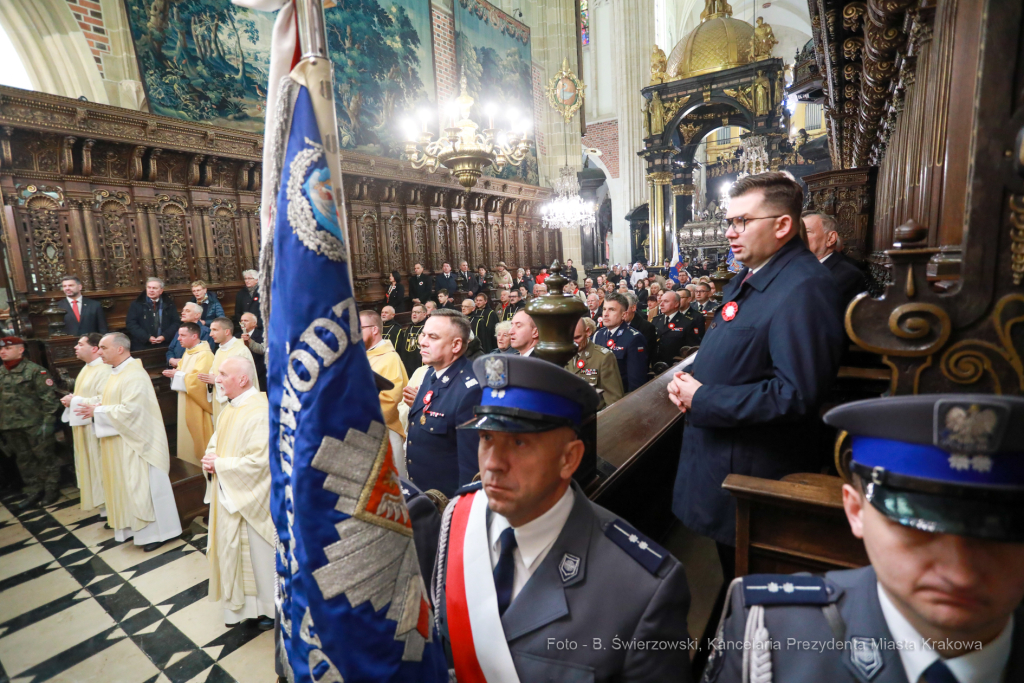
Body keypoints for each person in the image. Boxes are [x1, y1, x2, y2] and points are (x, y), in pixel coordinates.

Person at [704, 394, 1024, 683]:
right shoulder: (769, 636)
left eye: (1005, 527)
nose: (959, 572)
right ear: (856, 511)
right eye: (913, 521)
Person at [433, 354, 692, 682]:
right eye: (486, 438)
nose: (493, 463)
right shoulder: (458, 519)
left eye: (519, 442)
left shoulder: (642, 587)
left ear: (569, 458)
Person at [667, 172, 845, 581]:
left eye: (742, 221)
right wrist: (689, 379)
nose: (729, 232)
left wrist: (704, 398)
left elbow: (795, 394)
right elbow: (735, 340)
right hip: (724, 464)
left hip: (754, 477)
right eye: (730, 221)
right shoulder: (757, 274)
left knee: (748, 586)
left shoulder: (803, 288)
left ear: (782, 225)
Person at [75, 332, 182, 551]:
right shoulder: (115, 372)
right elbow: (109, 400)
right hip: (120, 441)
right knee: (126, 487)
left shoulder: (134, 374)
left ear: (119, 349)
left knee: (141, 488)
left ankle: (159, 533)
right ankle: (133, 529)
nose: (100, 352)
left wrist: (99, 411)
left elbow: (132, 410)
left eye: (104, 348)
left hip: (138, 444)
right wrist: (94, 406)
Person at [201, 357, 275, 630]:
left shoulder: (260, 411)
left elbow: (261, 463)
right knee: (236, 552)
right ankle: (244, 608)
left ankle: (268, 609)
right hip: (230, 490)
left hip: (250, 498)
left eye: (222, 374)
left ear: (243, 379)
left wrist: (219, 464)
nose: (216, 378)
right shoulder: (230, 409)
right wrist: (211, 459)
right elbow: (215, 442)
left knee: (258, 556)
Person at [403, 310, 482, 496]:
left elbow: (472, 471)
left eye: (433, 337)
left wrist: (460, 513)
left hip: (447, 504)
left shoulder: (470, 390)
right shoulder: (431, 373)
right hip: (424, 498)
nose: (422, 341)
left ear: (456, 345)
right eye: (423, 334)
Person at [0, 336, 62, 510]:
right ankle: (35, 491)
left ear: (21, 350)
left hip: (35, 424)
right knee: (24, 460)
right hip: (10, 426)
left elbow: (49, 401)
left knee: (45, 458)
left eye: (8, 348)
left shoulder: (35, 371)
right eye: (1, 349)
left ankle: (51, 490)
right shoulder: (1, 373)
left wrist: (47, 425)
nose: (3, 352)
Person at [60, 333, 112, 513]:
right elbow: (86, 395)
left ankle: (109, 508)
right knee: (91, 466)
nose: (76, 347)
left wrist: (74, 402)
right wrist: (72, 398)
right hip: (85, 427)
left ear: (95, 348)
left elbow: (104, 399)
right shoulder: (87, 368)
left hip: (97, 428)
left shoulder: (104, 369)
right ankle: (102, 506)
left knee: (100, 466)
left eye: (80, 344)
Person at [360, 309, 409, 477]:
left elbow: (391, 399)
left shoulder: (389, 358)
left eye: (360, 328)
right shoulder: (363, 356)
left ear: (374, 329)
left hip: (385, 431)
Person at [162, 322, 214, 467]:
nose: (179, 338)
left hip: (197, 404)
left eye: (183, 335)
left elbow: (199, 381)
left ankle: (200, 466)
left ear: (195, 336)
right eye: (179, 335)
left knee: (197, 436)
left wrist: (177, 375)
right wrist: (175, 374)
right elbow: (182, 372)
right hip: (185, 400)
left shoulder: (205, 355)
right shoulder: (188, 353)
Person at [803, 210, 869, 313]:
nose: (800, 238)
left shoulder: (849, 275)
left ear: (830, 238)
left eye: (807, 232)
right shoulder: (800, 267)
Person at [199, 317, 255, 427]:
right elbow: (214, 371)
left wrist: (215, 380)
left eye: (215, 330)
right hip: (220, 403)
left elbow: (242, 381)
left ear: (227, 331)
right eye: (211, 330)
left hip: (236, 405)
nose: (210, 334)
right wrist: (210, 379)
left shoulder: (240, 350)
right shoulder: (220, 350)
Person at [593, 292, 648, 393]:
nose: (605, 314)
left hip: (620, 397)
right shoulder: (598, 335)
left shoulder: (634, 338)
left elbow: (635, 382)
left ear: (624, 314)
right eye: (604, 309)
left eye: (611, 310)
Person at [566, 317, 623, 410]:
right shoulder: (563, 355)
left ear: (587, 332)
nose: (573, 343)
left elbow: (613, 402)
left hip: (594, 419)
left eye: (577, 338)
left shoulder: (603, 358)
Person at [125, 277, 179, 351]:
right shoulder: (136, 304)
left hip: (165, 344)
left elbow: (176, 323)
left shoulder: (169, 304)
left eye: (154, 288)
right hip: (142, 345)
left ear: (161, 291)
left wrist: (165, 336)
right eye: (149, 287)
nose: (151, 290)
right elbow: (131, 324)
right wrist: (147, 337)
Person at [653, 290, 703, 366]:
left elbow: (692, 349)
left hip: (675, 366)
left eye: (666, 301)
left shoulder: (688, 322)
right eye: (661, 301)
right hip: (656, 364)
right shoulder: (656, 320)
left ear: (676, 304)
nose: (661, 304)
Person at [623, 290, 657, 369]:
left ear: (633, 307)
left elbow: (645, 357)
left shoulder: (647, 327)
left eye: (625, 307)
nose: (622, 311)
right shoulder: (615, 325)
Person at [239, 312, 266, 390]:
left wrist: (249, 341)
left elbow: (262, 350)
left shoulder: (263, 335)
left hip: (260, 373)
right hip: (243, 374)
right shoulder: (237, 336)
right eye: (241, 321)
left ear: (254, 323)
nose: (243, 323)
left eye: (246, 320)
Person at [399, 304, 427, 376]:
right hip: (407, 364)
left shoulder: (427, 329)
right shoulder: (409, 328)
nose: (414, 314)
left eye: (417, 312)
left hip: (420, 364)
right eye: (413, 312)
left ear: (424, 314)